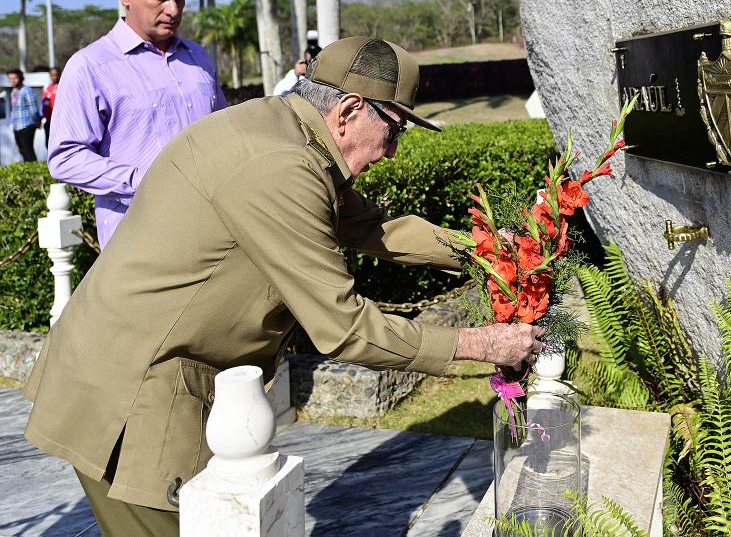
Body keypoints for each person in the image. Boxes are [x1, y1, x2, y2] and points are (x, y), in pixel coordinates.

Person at [22, 36, 543, 534]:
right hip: (132, 396)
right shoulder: (282, 165)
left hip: (147, 374)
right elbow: (344, 328)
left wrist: (491, 249)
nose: (392, 151)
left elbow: (373, 227)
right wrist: (477, 343)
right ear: (349, 111)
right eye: (395, 130)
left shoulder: (285, 132)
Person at [47, 0, 227, 248]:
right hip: (140, 242)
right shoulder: (90, 66)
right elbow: (65, 157)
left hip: (212, 232)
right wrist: (144, 182)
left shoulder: (198, 57)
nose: (173, 9)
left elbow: (223, 132)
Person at [6, 68, 40, 162]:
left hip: (27, 125)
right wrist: (12, 125)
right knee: (22, 150)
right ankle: (27, 171)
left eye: (15, 78)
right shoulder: (13, 92)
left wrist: (36, 122)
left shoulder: (27, 90)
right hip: (17, 126)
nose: (12, 80)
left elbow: (33, 108)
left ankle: (35, 171)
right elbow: (14, 110)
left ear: (20, 78)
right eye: (10, 78)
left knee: (28, 149)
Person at [40, 67, 60, 147]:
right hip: (48, 120)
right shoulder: (47, 87)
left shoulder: (62, 86)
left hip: (58, 121)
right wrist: (40, 116)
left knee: (57, 144)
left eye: (56, 75)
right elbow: (43, 103)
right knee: (48, 144)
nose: (54, 77)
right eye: (52, 75)